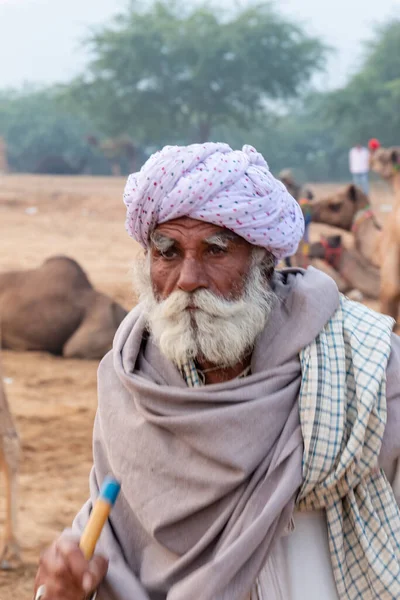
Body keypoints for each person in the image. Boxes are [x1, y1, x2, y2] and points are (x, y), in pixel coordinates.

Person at [34, 143, 400, 600]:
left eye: (215, 251)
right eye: (167, 252)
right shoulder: (131, 379)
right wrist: (68, 578)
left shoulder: (362, 366)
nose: (188, 278)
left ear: (264, 264)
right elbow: (110, 529)